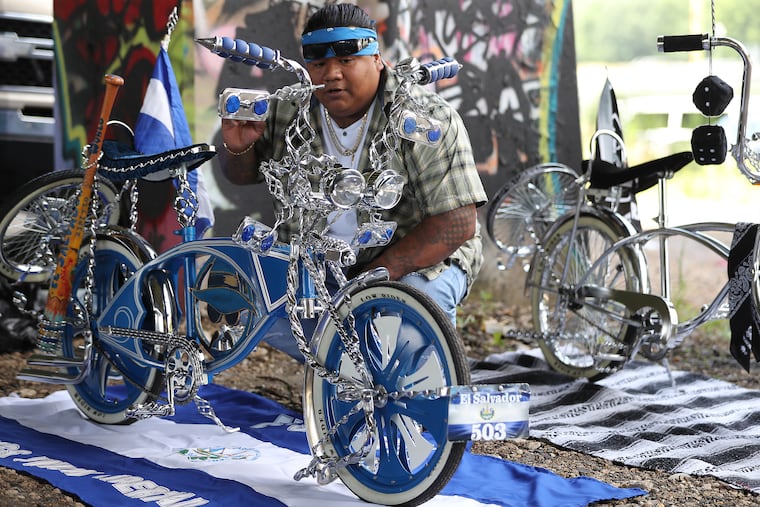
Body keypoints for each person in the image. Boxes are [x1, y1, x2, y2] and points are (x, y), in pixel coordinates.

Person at [218, 3, 487, 358]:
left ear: (377, 59)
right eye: (318, 64)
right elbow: (241, 176)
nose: (331, 74)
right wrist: (238, 148)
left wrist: (369, 283)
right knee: (244, 300)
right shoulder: (290, 109)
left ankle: (409, 383)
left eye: (346, 61)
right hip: (320, 264)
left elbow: (457, 223)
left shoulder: (424, 117)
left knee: (411, 319)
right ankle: (342, 373)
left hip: (414, 262)